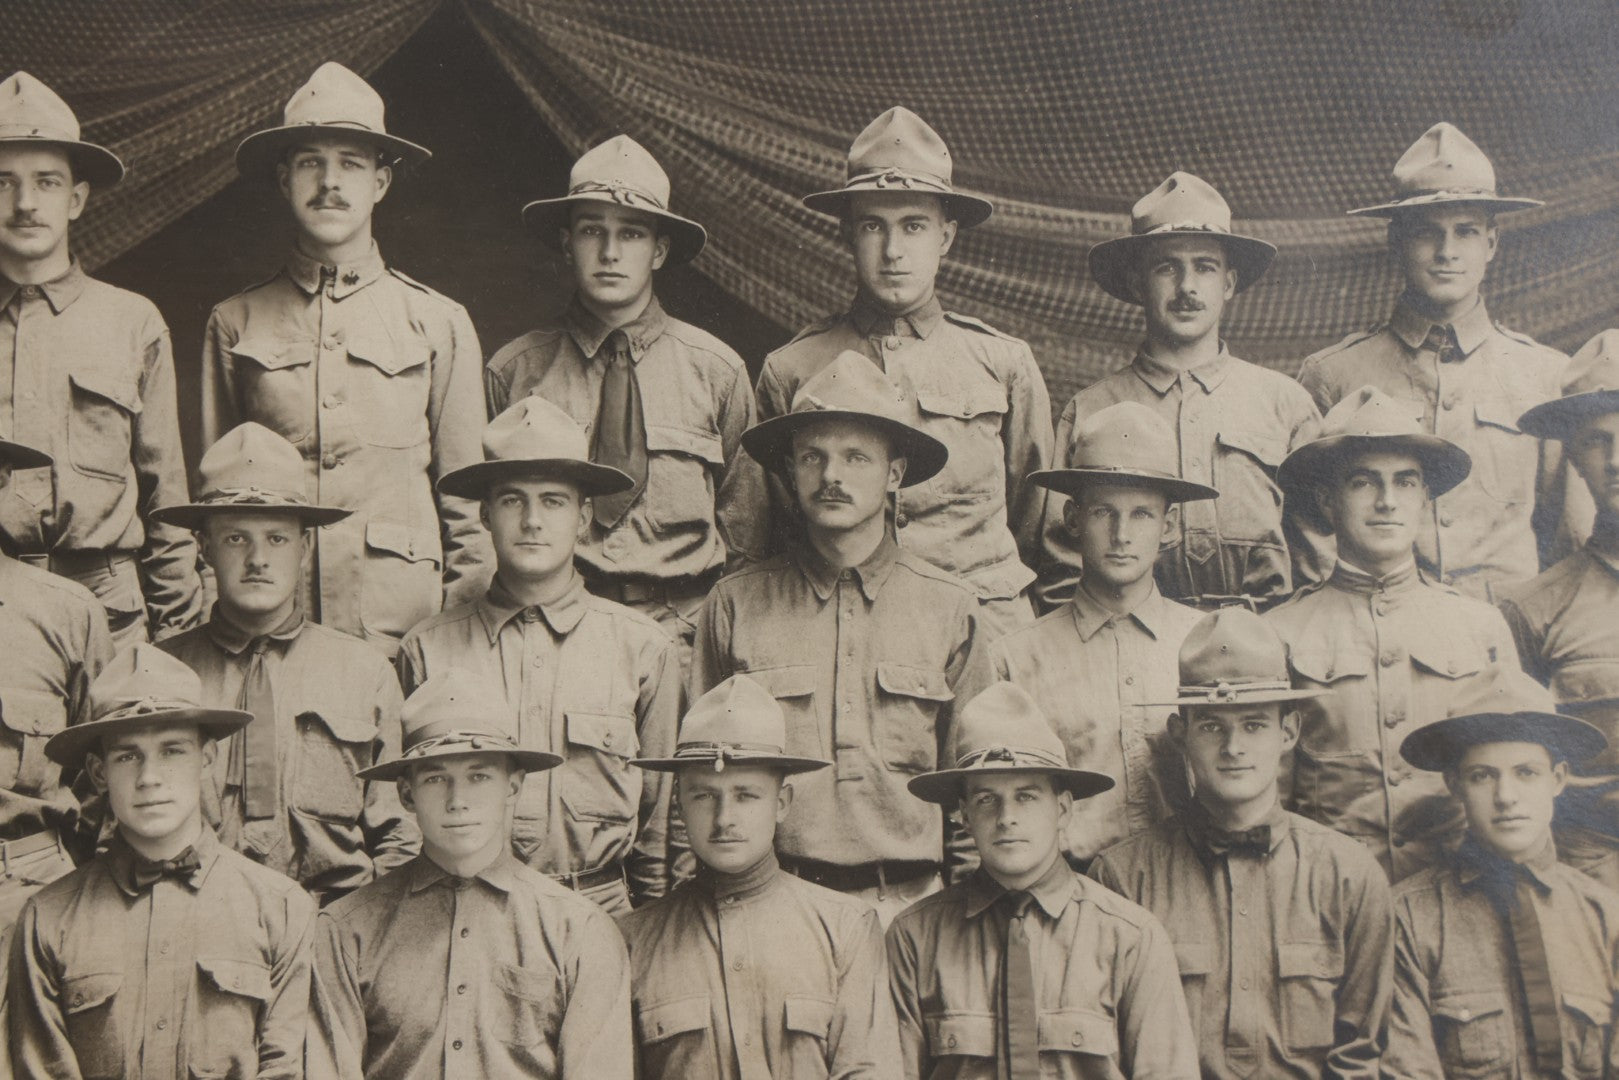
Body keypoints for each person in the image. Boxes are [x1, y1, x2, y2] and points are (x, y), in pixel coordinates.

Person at [201, 62, 490, 656]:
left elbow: (469, 511)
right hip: (270, 627)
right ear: (284, 179)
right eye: (310, 162)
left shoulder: (437, 322)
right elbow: (213, 503)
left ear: (381, 183)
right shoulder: (235, 322)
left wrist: (457, 642)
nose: (329, 183)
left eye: (351, 164)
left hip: (401, 629)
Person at [693, 354, 992, 923]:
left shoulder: (950, 608)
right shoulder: (736, 603)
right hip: (770, 906)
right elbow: (702, 780)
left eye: (856, 458)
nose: (832, 476)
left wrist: (962, 918)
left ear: (895, 474)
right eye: (813, 457)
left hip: (913, 906)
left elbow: (974, 788)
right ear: (790, 471)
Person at [755, 107, 1053, 639]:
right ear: (847, 235)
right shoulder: (791, 368)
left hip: (983, 623)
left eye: (914, 226)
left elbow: (1037, 525)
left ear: (946, 236)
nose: (894, 252)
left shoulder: (1003, 363)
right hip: (840, 624)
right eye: (874, 226)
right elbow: (777, 527)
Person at [486, 134, 759, 673]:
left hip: (684, 636)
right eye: (593, 231)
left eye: (630, 234)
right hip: (548, 631)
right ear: (567, 244)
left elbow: (749, 534)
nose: (610, 253)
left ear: (658, 250)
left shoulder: (716, 371)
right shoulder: (516, 370)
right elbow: (485, 518)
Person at [398, 397, 683, 912]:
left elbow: (663, 823)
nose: (532, 520)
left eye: (553, 501)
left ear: (583, 517)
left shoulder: (640, 646)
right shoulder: (428, 647)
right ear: (485, 514)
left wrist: (650, 927)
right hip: (462, 908)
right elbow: (401, 809)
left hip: (602, 906)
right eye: (512, 501)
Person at [1091, 608, 1393, 1079]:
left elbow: (1364, 1054)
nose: (1233, 747)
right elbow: (1109, 1049)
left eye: (1253, 724)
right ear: (1180, 734)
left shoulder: (1348, 875)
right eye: (1212, 726)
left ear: (1288, 732)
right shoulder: (1123, 879)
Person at [7, 644, 316, 1079]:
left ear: (206, 759)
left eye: (173, 751)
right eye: (128, 756)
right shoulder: (49, 917)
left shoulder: (281, 909)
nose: (149, 777)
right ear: (99, 773)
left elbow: (288, 1067)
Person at [310, 668, 632, 1079]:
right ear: (406, 794)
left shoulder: (580, 931)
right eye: (435, 778)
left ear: (513, 787)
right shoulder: (344, 931)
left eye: (479, 776)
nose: (457, 800)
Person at [1298, 122, 1569, 602]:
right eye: (1427, 233)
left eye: (1465, 232)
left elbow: (1565, 538)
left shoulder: (1545, 375)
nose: (1447, 252)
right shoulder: (1333, 375)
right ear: (1396, 243)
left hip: (1508, 643)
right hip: (1378, 632)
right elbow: (1311, 529)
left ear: (1491, 243)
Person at [154, 422, 413, 905]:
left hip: (334, 920)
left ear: (305, 547)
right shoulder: (163, 673)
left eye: (277, 538)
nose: (257, 559)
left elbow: (399, 834)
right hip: (196, 916)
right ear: (204, 548)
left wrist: (363, 933)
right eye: (235, 539)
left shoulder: (364, 672)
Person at [1266, 386, 1519, 879]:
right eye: (1363, 483)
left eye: (1405, 483)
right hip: (1330, 892)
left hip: (1458, 888)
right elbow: (1269, 800)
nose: (1386, 502)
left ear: (1425, 497)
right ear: (1327, 501)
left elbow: (1509, 777)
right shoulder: (1280, 633)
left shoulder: (1479, 625)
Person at [1039, 171, 1321, 611]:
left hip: (1268, 639)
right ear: (1137, 284)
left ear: (1228, 283)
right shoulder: (1091, 410)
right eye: (1167, 267)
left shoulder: (1285, 405)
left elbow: (1318, 558)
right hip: (1130, 639)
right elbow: (1061, 569)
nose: (1187, 287)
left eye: (1205, 267)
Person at [886, 681, 1198, 1079]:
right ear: (963, 816)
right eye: (986, 799)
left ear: (1063, 809)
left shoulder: (1130, 939)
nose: (1006, 817)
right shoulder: (915, 939)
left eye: (1027, 796)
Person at [0, 71, 200, 647]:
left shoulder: (132, 321)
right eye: (5, 182)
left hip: (108, 608)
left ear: (78, 199)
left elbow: (166, 495)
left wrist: (176, 637)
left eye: (46, 181)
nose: (26, 203)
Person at [620, 674, 902, 1078]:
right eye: (703, 796)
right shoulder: (633, 942)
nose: (724, 819)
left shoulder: (845, 928)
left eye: (746, 795)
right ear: (679, 806)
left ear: (782, 802)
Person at [992, 401, 1212, 868]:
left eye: (1142, 515)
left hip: (1187, 881)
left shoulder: (1203, 642)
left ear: (1169, 526)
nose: (1121, 535)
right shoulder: (1016, 658)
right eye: (1102, 513)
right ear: (1073, 519)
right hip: (1070, 892)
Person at [1384, 672, 1619, 1078]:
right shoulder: (1408, 919)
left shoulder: (1603, 915)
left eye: (1526, 772)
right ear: (1454, 784)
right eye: (1482, 776)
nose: (1506, 797)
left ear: (1558, 780)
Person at [1500, 328, 1619, 888]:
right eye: (1598, 441)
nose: (1617, 460)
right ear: (1571, 456)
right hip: (1593, 881)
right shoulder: (1533, 609)